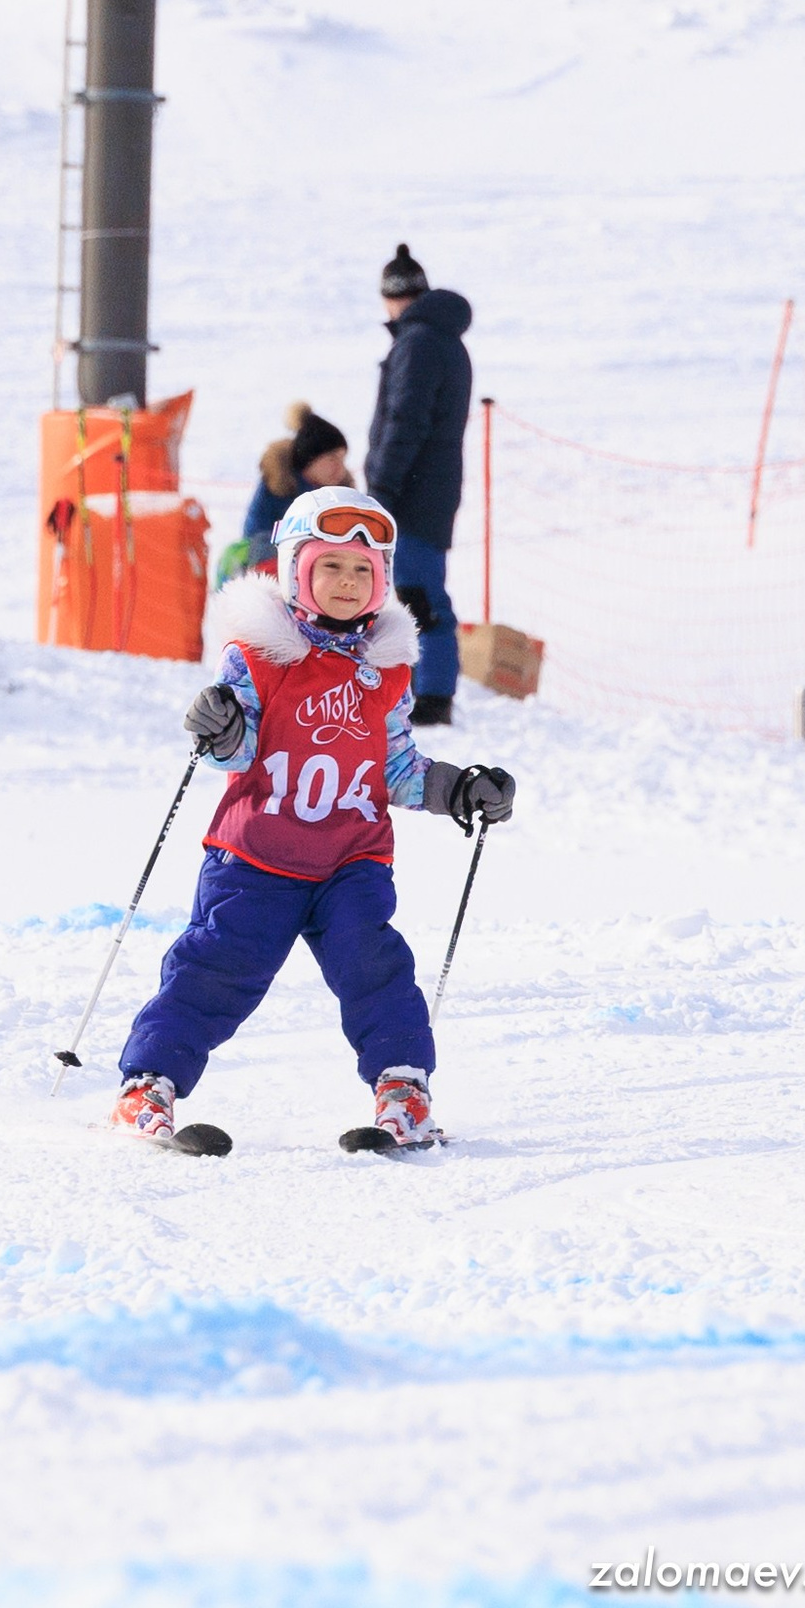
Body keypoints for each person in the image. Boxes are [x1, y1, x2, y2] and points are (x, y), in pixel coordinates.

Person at [109, 488, 518, 1152]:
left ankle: (404, 1090)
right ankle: (147, 1087)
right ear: (297, 569)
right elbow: (237, 752)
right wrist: (220, 726)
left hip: (350, 860)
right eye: (331, 566)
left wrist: (461, 791)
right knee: (214, 967)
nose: (348, 583)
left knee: (374, 964)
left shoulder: (385, 670)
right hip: (256, 857)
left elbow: (397, 767)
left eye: (364, 571)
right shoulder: (259, 656)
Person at [363, 244, 474, 726]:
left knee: (418, 594)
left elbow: (404, 423)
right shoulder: (439, 339)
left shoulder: (418, 342)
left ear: (390, 299)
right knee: (416, 590)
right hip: (430, 488)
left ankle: (430, 693)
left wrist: (382, 492)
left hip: (411, 492)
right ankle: (424, 686)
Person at [223, 401, 351, 582]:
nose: (340, 468)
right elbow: (255, 534)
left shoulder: (342, 494)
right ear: (310, 459)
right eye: (332, 459)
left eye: (343, 459)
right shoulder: (278, 485)